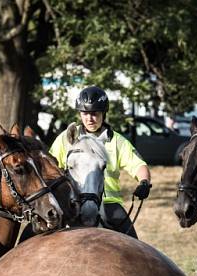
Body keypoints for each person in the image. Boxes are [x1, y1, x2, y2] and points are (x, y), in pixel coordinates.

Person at [48, 85, 152, 238]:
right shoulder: (67, 138)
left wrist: (144, 182)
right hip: (71, 201)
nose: (89, 119)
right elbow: (50, 165)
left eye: (94, 114)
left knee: (133, 243)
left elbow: (138, 165)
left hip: (108, 203)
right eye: (85, 113)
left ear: (103, 113)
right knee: (32, 233)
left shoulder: (117, 141)